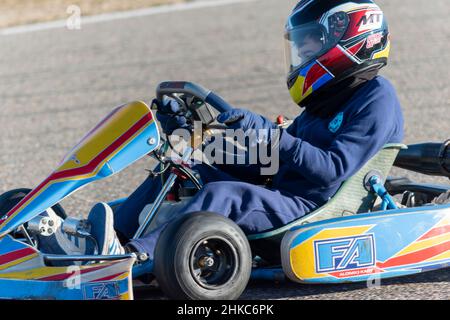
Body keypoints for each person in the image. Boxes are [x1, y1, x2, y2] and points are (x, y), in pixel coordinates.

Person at [41, 0, 404, 260]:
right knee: (187, 170)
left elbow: (332, 169)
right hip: (285, 186)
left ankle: (137, 255)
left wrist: (269, 134)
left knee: (225, 194)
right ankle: (98, 241)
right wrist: (192, 136)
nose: (303, 53)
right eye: (301, 45)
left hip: (314, 206)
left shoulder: (375, 99)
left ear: (350, 40)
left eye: (312, 43)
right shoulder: (330, 98)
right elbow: (276, 160)